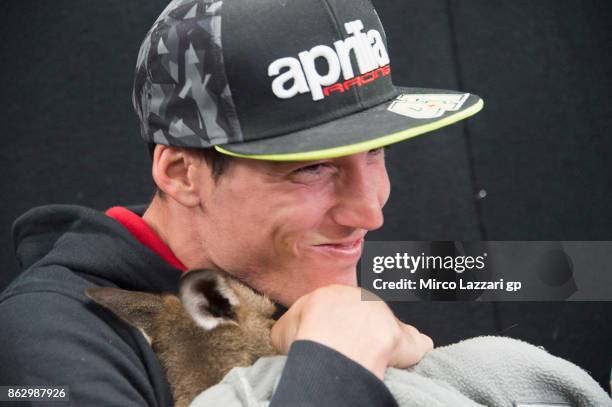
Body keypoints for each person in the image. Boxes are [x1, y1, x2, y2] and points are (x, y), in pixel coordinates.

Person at [0, 0, 483, 405]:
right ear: (181, 174)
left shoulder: (289, 273)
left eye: (376, 151)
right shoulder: (44, 342)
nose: (369, 212)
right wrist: (336, 365)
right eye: (312, 167)